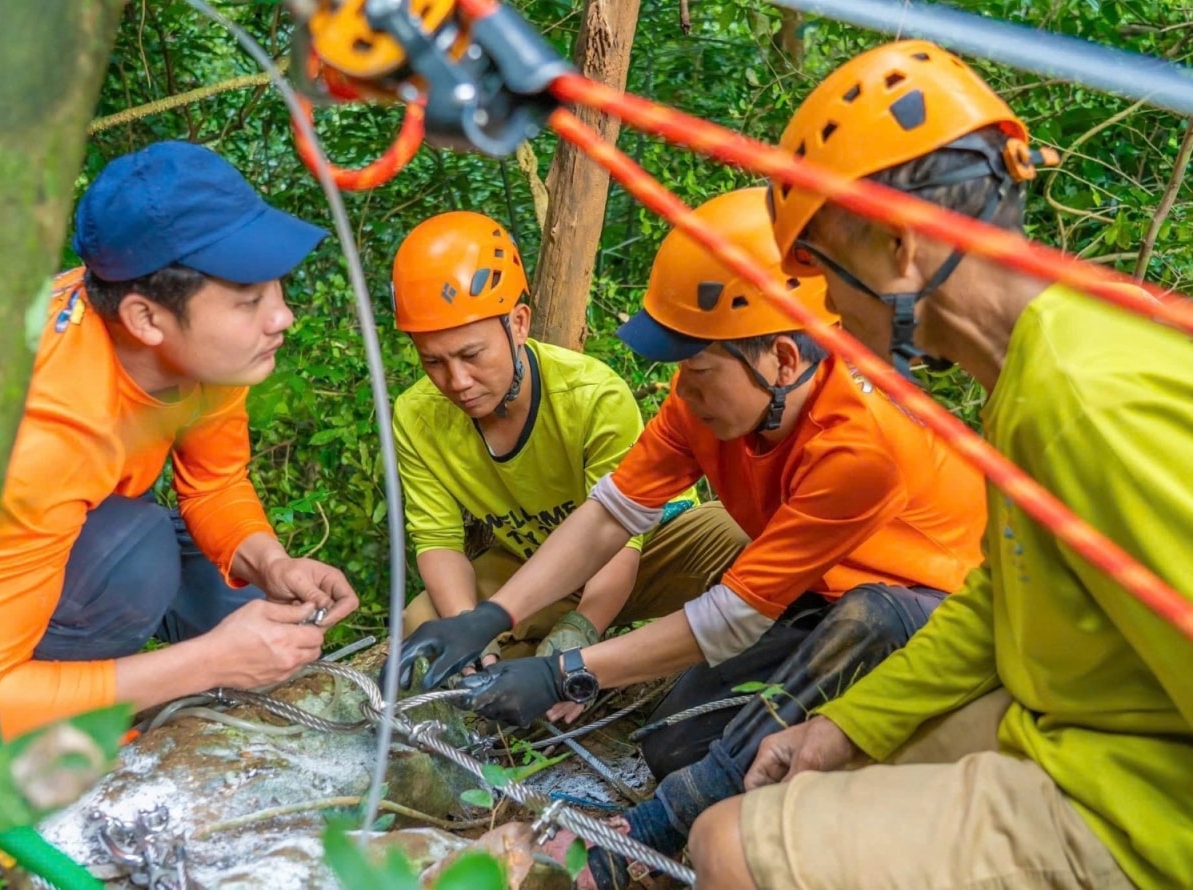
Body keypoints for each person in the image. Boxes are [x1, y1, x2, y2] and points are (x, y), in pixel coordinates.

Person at [686, 40, 1193, 890]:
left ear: (899, 247)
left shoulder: (1082, 400)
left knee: (729, 846)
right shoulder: (1046, 356)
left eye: (830, 277)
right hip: (1080, 726)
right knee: (822, 777)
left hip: (1139, 805)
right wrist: (845, 726)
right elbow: (1002, 597)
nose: (837, 319)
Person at [399, 188, 987, 887]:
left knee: (870, 618)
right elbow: (610, 515)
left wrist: (567, 671)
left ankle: (651, 834)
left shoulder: (862, 444)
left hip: (931, 615)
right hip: (825, 600)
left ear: (782, 359)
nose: (685, 389)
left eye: (699, 369)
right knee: (674, 738)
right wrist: (494, 617)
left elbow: (735, 614)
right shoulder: (703, 405)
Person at [0, 141, 359, 741]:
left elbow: (214, 484)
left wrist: (272, 562)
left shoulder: (208, 361)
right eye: (249, 302)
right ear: (146, 319)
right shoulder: (46, 435)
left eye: (277, 291)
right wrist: (207, 662)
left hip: (40, 541)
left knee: (218, 586)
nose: (282, 318)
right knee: (137, 552)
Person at [390, 210, 747, 681]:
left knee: (745, 540)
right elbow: (438, 540)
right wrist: (467, 630)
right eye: (433, 361)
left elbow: (621, 527)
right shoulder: (417, 417)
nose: (457, 381)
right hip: (537, 567)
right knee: (424, 620)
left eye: (471, 355)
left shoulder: (590, 395)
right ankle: (518, 681)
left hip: (652, 545)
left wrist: (584, 627)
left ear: (518, 324)